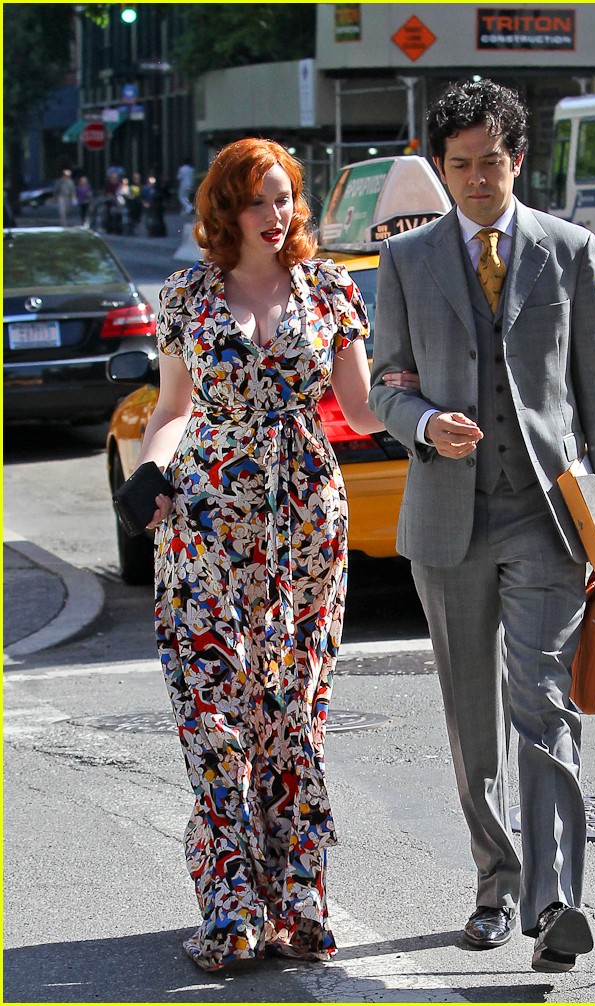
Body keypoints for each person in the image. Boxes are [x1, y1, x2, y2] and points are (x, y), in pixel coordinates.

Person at [369, 79, 595, 973]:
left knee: (545, 704)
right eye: (461, 165)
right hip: (448, 519)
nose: (479, 178)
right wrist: (422, 425)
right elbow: (385, 384)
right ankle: (496, 882)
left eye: (494, 161)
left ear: (518, 160)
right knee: (470, 722)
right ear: (440, 170)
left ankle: (557, 897)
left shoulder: (567, 250)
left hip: (546, 519)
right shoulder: (407, 263)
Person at [133, 138, 414, 971]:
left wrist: (432, 418)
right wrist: (149, 469)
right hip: (205, 521)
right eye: (258, 200)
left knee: (294, 709)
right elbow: (173, 408)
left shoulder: (330, 288)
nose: (276, 213)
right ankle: (229, 908)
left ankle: (296, 901)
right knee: (214, 710)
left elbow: (362, 410)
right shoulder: (186, 293)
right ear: (226, 209)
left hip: (304, 522)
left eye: (286, 197)